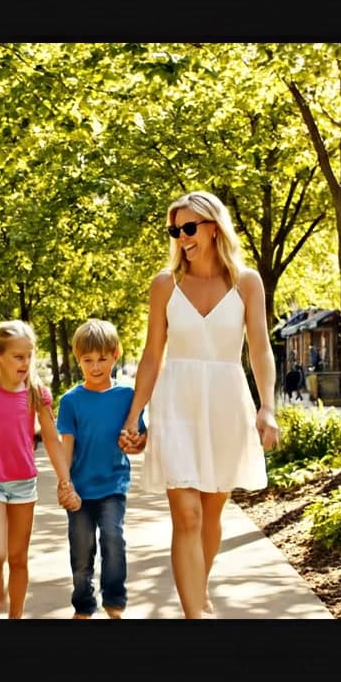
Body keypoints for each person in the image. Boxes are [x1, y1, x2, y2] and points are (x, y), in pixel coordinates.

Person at [120, 190, 280, 619]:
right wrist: (135, 414)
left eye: (189, 228)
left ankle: (199, 590)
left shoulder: (246, 282)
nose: (181, 237)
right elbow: (152, 355)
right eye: (175, 230)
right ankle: (195, 617)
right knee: (186, 516)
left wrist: (268, 407)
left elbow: (260, 349)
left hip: (227, 403)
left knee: (211, 514)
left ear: (213, 227)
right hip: (177, 404)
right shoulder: (164, 285)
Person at [0, 319, 75, 619]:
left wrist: (65, 481)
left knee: (18, 558)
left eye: (29, 355)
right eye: (18, 356)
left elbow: (51, 439)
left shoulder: (36, 392)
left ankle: (15, 616)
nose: (26, 362)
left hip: (23, 485)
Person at [55, 319, 147, 620]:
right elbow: (65, 445)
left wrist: (136, 442)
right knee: (81, 552)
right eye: (88, 360)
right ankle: (83, 606)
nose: (95, 367)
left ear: (116, 355)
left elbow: (139, 438)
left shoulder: (127, 397)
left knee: (113, 538)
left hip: (113, 485)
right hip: (80, 489)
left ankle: (115, 601)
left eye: (102, 359)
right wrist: (64, 482)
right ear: (78, 359)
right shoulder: (70, 401)